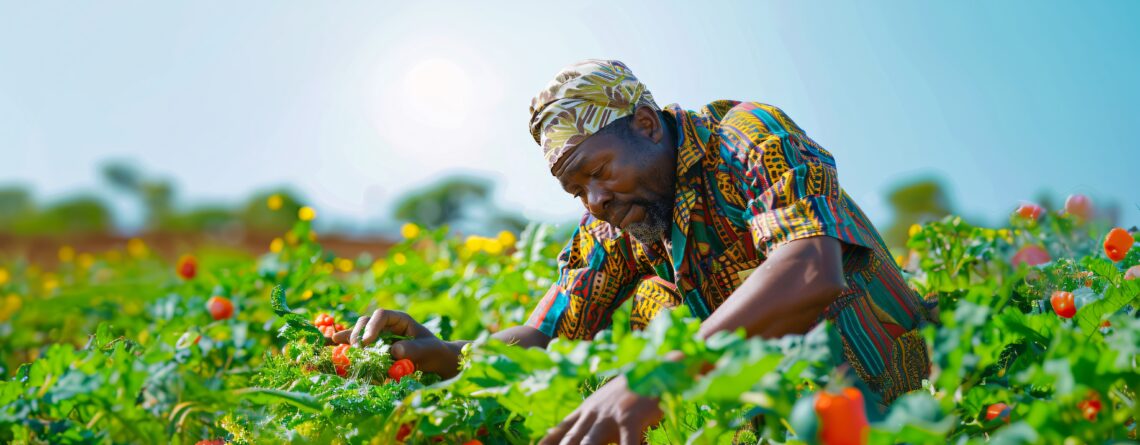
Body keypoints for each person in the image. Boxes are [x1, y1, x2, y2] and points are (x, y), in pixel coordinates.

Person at [333, 59, 934, 444]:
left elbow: (809, 269)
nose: (592, 200)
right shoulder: (618, 222)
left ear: (646, 125)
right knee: (654, 303)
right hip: (782, 425)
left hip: (911, 402)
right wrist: (439, 353)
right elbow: (547, 338)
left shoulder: (748, 138)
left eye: (598, 171)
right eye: (575, 189)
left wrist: (659, 374)